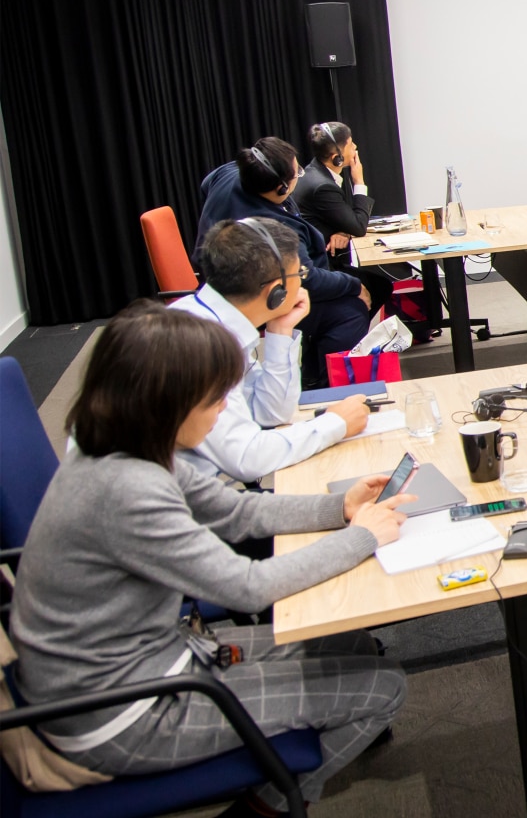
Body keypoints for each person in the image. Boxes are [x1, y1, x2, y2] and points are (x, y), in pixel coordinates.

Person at [9, 303, 411, 815]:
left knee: (352, 643)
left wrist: (340, 507)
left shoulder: (125, 446)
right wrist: (363, 537)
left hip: (146, 660)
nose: (225, 407)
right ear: (167, 401)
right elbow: (246, 588)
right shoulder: (128, 489)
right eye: (215, 395)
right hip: (128, 714)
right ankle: (265, 807)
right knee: (384, 686)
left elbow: (237, 512)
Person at [171, 219, 371, 483]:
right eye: (299, 275)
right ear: (276, 290)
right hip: (184, 508)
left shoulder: (216, 322)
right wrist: (335, 423)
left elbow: (271, 413)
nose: (302, 284)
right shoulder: (197, 346)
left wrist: (280, 331)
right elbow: (247, 459)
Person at [197, 138, 372, 389]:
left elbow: (206, 185)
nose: (299, 176)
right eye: (296, 173)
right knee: (350, 310)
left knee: (357, 288)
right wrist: (354, 286)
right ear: (280, 188)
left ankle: (312, 372)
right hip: (251, 297)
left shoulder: (230, 172)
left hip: (217, 283)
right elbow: (307, 279)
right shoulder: (274, 227)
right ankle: (329, 390)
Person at [292, 121, 392, 318]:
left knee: (378, 284)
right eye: (350, 144)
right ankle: (348, 337)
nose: (355, 147)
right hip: (317, 268)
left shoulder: (316, 172)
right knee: (379, 287)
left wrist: (343, 230)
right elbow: (358, 226)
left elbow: (345, 222)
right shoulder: (322, 186)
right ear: (336, 157)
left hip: (318, 259)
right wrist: (359, 182)